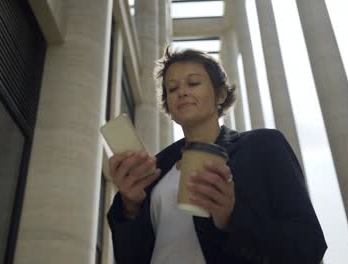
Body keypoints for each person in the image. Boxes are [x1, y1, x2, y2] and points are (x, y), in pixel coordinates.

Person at [107, 47, 327, 264]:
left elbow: (309, 246)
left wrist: (232, 218)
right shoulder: (155, 169)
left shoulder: (262, 146)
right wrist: (130, 206)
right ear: (169, 107)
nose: (182, 92)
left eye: (193, 83)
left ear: (220, 94)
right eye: (172, 88)